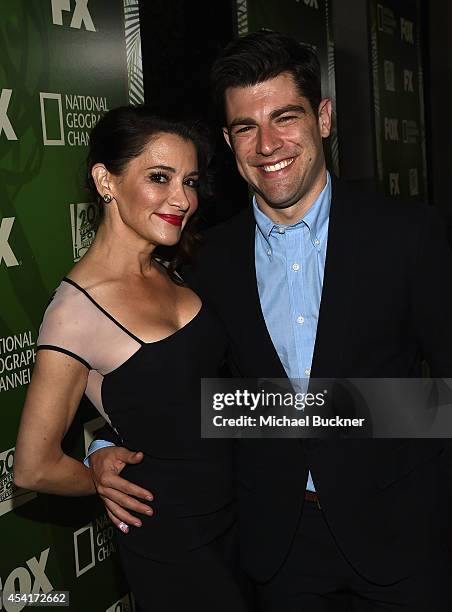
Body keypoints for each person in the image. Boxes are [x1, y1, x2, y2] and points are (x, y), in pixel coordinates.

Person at [87, 32, 452, 611]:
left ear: (324, 118)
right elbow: (175, 381)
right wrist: (104, 445)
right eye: (244, 127)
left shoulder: (409, 234)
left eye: (285, 117)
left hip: (401, 536)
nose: (268, 144)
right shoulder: (204, 258)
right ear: (229, 142)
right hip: (277, 547)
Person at [13, 105, 251, 612]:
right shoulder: (76, 311)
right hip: (173, 539)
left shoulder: (173, 267)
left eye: (189, 181)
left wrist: (103, 440)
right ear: (105, 180)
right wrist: (98, 479)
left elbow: (181, 397)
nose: (182, 199)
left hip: (237, 512)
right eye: (159, 178)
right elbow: (32, 467)